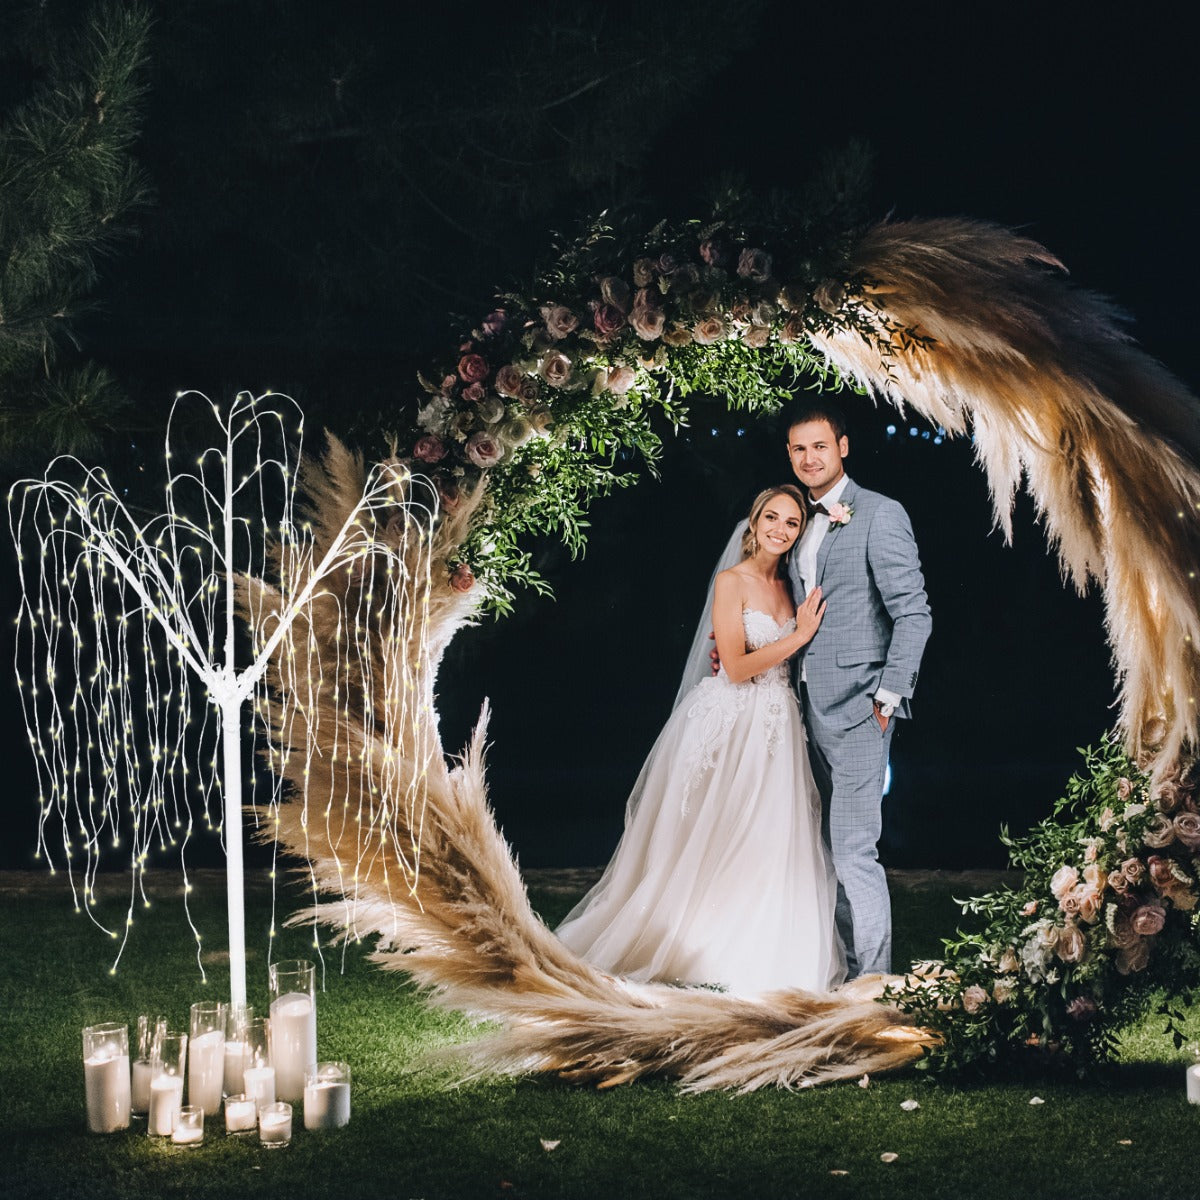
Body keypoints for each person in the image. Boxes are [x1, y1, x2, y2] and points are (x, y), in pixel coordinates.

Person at [555, 486, 846, 996]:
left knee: (769, 839)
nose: (781, 529)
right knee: (706, 832)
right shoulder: (732, 581)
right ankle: (686, 942)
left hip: (778, 725)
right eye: (772, 518)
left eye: (793, 523)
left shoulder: (792, 587)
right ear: (753, 522)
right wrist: (795, 639)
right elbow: (733, 667)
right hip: (730, 720)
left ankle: (753, 948)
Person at [784, 399, 932, 978]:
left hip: (860, 712)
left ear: (842, 447)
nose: (809, 457)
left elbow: (914, 614)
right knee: (822, 853)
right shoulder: (793, 517)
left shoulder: (879, 513)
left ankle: (873, 982)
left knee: (853, 851)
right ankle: (840, 972)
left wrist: (888, 698)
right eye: (798, 448)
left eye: (819, 445)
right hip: (801, 709)